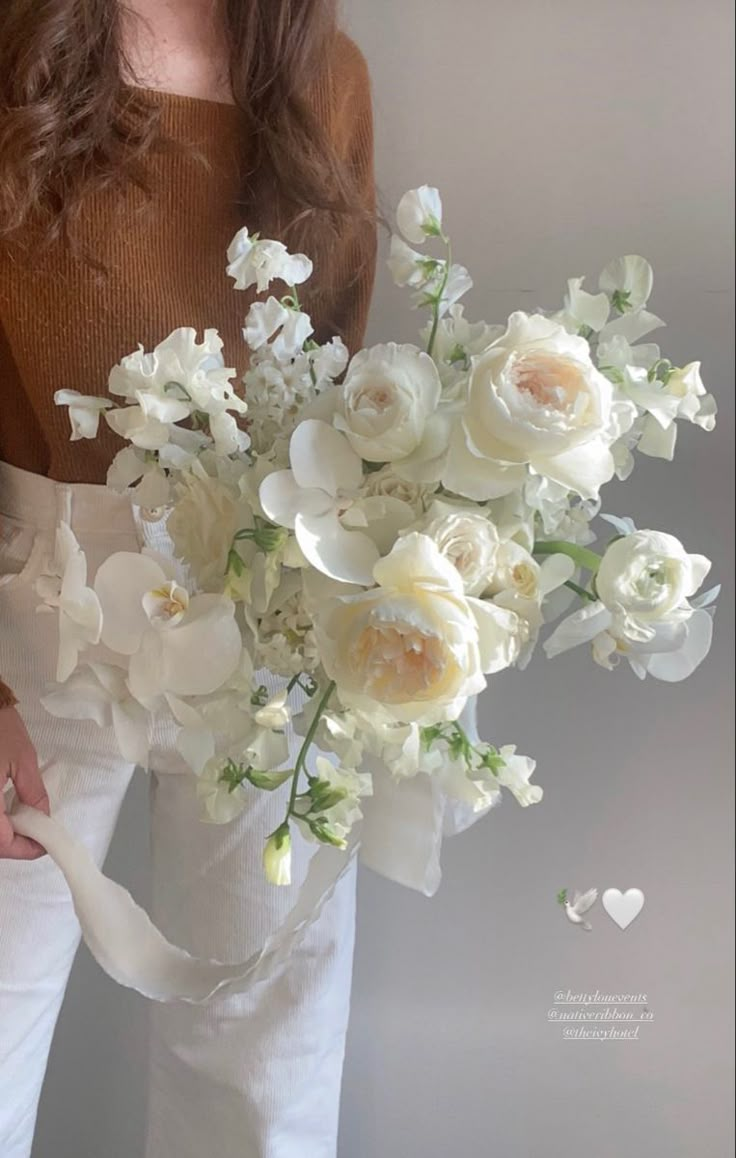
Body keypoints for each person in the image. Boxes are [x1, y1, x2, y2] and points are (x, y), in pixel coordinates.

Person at [0, 1, 376, 1154]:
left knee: (264, 1068)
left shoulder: (325, 73)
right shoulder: (15, 44)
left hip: (272, 617)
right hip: (36, 605)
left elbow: (344, 375)